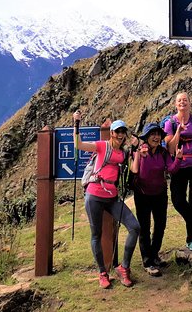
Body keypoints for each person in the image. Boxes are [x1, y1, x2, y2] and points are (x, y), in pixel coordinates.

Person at [73, 111, 141, 289]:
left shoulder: (124, 153)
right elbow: (79, 144)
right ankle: (103, 273)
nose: (120, 135)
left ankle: (123, 268)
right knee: (96, 234)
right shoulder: (102, 146)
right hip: (94, 195)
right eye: (117, 131)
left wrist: (137, 149)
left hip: (112, 197)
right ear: (111, 133)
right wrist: (76, 124)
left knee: (134, 227)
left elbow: (134, 170)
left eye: (122, 132)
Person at [130, 122, 182, 276]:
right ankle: (147, 262)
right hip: (143, 194)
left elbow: (171, 169)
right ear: (146, 137)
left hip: (159, 194)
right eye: (152, 134)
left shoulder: (163, 152)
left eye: (158, 134)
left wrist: (178, 159)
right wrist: (140, 154)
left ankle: (154, 255)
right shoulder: (139, 151)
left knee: (160, 225)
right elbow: (139, 172)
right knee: (144, 228)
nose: (156, 137)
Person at [164, 92, 192, 251]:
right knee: (178, 200)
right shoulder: (170, 123)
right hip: (179, 166)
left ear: (190, 103)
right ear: (175, 104)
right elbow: (169, 147)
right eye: (179, 100)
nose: (182, 102)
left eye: (185, 100)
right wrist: (178, 132)